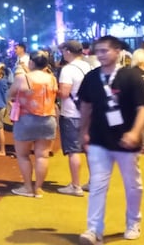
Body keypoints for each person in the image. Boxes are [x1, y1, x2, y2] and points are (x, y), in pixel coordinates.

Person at [78, 36, 144, 244]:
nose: (100, 55)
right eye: (98, 51)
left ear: (117, 51)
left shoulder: (131, 77)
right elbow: (86, 105)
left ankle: (133, 222)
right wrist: (83, 131)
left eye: (104, 51)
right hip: (99, 140)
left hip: (126, 142)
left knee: (133, 185)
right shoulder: (92, 77)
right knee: (98, 185)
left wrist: (135, 132)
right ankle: (93, 230)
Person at [9, 51, 58, 198]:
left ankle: (28, 187)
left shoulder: (22, 78)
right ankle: (39, 188)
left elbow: (11, 93)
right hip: (48, 119)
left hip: (26, 120)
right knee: (42, 156)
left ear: (31, 63)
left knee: (23, 155)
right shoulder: (52, 79)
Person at [56, 41, 92, 197]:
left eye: (63, 51)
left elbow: (64, 93)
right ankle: (93, 182)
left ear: (68, 51)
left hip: (71, 113)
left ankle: (75, 185)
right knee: (89, 150)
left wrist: (52, 90)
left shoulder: (67, 70)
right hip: (88, 113)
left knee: (74, 150)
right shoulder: (89, 67)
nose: (62, 54)